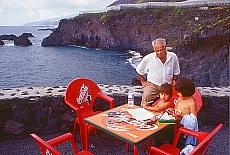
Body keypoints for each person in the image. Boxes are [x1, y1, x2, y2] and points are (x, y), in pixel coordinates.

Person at [136, 38, 180, 107]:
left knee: (173, 101)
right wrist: (143, 81)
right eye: (157, 51)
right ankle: (143, 113)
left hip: (167, 85)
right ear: (154, 50)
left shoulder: (173, 57)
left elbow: (176, 71)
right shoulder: (149, 58)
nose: (159, 53)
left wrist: (174, 79)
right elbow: (139, 70)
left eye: (161, 50)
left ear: (165, 48)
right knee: (146, 96)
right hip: (153, 85)